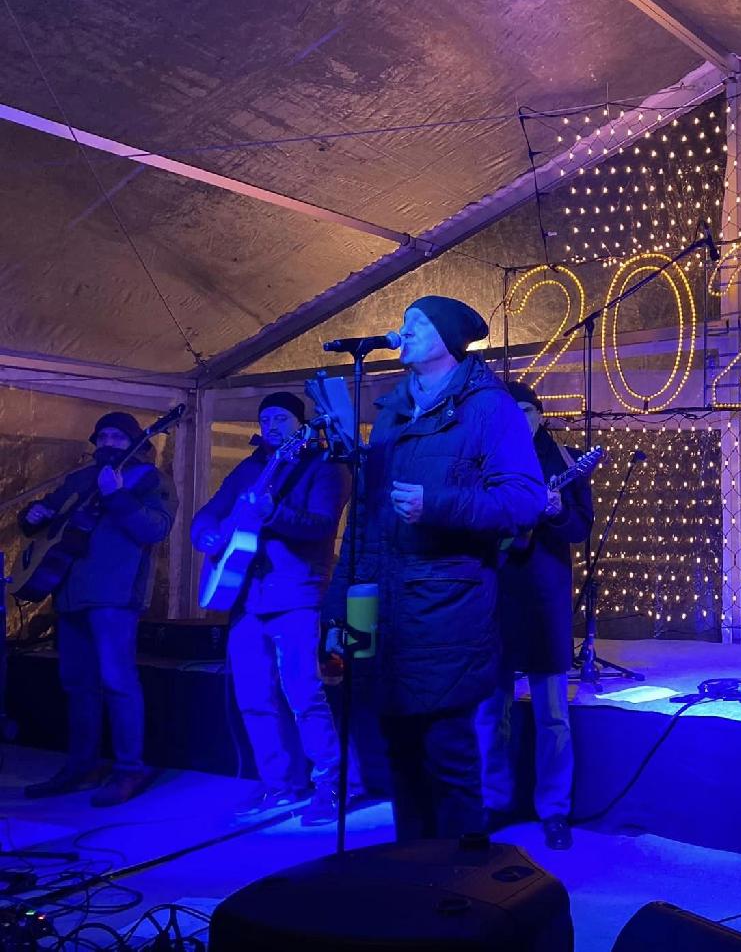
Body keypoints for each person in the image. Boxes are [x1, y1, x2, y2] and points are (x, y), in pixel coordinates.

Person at [322, 295, 546, 842]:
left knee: (448, 757)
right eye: (403, 322)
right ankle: (411, 875)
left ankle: (459, 880)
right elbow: (363, 518)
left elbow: (526, 500)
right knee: (399, 757)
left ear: (448, 338)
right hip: (386, 615)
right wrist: (337, 610)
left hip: (448, 611)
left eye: (417, 323)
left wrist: (438, 505)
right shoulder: (392, 412)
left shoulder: (489, 408)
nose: (404, 331)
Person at [191, 392, 352, 825]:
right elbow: (209, 512)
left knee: (303, 694)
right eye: (265, 419)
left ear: (300, 425)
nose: (271, 426)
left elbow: (322, 525)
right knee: (254, 696)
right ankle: (281, 783)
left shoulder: (326, 466)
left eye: (281, 418)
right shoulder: (249, 468)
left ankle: (333, 784)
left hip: (296, 594)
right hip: (246, 598)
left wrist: (274, 512)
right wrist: (206, 535)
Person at [20, 411, 176, 806]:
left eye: (117, 437)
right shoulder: (79, 479)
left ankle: (129, 769)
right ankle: (82, 766)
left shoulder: (150, 479)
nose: (108, 443)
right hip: (71, 593)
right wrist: (32, 515)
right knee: (78, 685)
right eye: (102, 437)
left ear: (136, 442)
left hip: (114, 597)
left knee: (118, 682)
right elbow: (47, 516)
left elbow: (155, 529)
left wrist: (117, 496)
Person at [474, 381, 593, 851]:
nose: (519, 420)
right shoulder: (485, 460)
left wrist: (558, 511)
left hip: (545, 598)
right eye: (510, 411)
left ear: (540, 415)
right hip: (496, 594)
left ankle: (554, 810)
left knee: (553, 714)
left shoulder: (565, 460)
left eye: (525, 410)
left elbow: (580, 528)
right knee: (492, 710)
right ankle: (494, 801)